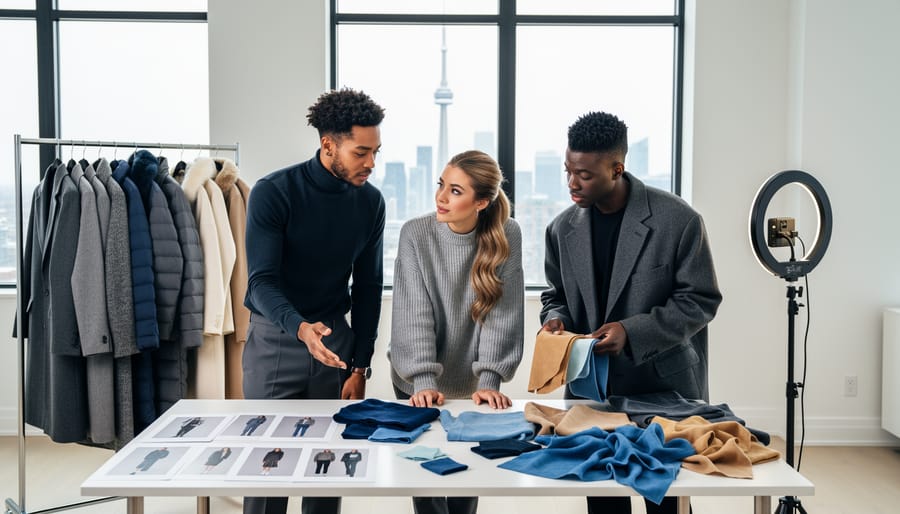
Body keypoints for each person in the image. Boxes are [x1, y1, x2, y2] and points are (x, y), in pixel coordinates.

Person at [540, 111, 722, 514]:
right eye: (567, 170)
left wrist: (632, 331)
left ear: (616, 168)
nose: (572, 182)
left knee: (669, 503)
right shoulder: (560, 228)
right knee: (603, 502)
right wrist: (555, 320)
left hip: (666, 389)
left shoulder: (678, 220)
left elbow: (701, 299)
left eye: (584, 174)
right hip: (592, 392)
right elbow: (556, 295)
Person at [242, 88, 386, 514]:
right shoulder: (274, 192)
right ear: (328, 145)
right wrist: (301, 328)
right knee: (269, 470)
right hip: (277, 338)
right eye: (361, 152)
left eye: (376, 151)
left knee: (328, 467)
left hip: (335, 342)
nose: (371, 163)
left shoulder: (370, 202)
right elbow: (262, 282)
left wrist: (361, 365)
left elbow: (368, 287)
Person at [390, 150, 524, 514]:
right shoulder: (415, 233)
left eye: (455, 191)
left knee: (468, 476)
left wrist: (490, 380)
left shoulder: (506, 234)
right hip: (418, 381)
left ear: (481, 201)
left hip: (473, 382)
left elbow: (503, 313)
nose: (441, 197)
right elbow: (412, 311)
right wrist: (421, 380)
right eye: (441, 185)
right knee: (427, 480)